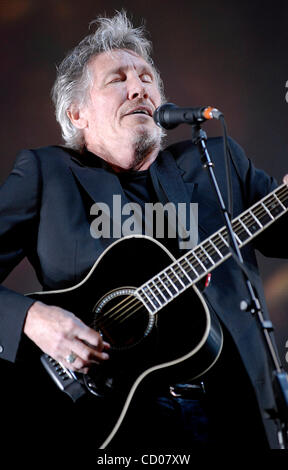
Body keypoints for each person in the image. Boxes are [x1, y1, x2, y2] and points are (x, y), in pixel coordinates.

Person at [0, 11, 287, 454]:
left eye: (147, 77)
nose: (139, 88)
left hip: (234, 413)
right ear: (77, 113)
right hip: (104, 418)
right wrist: (33, 320)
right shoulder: (46, 173)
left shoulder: (218, 162)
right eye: (118, 79)